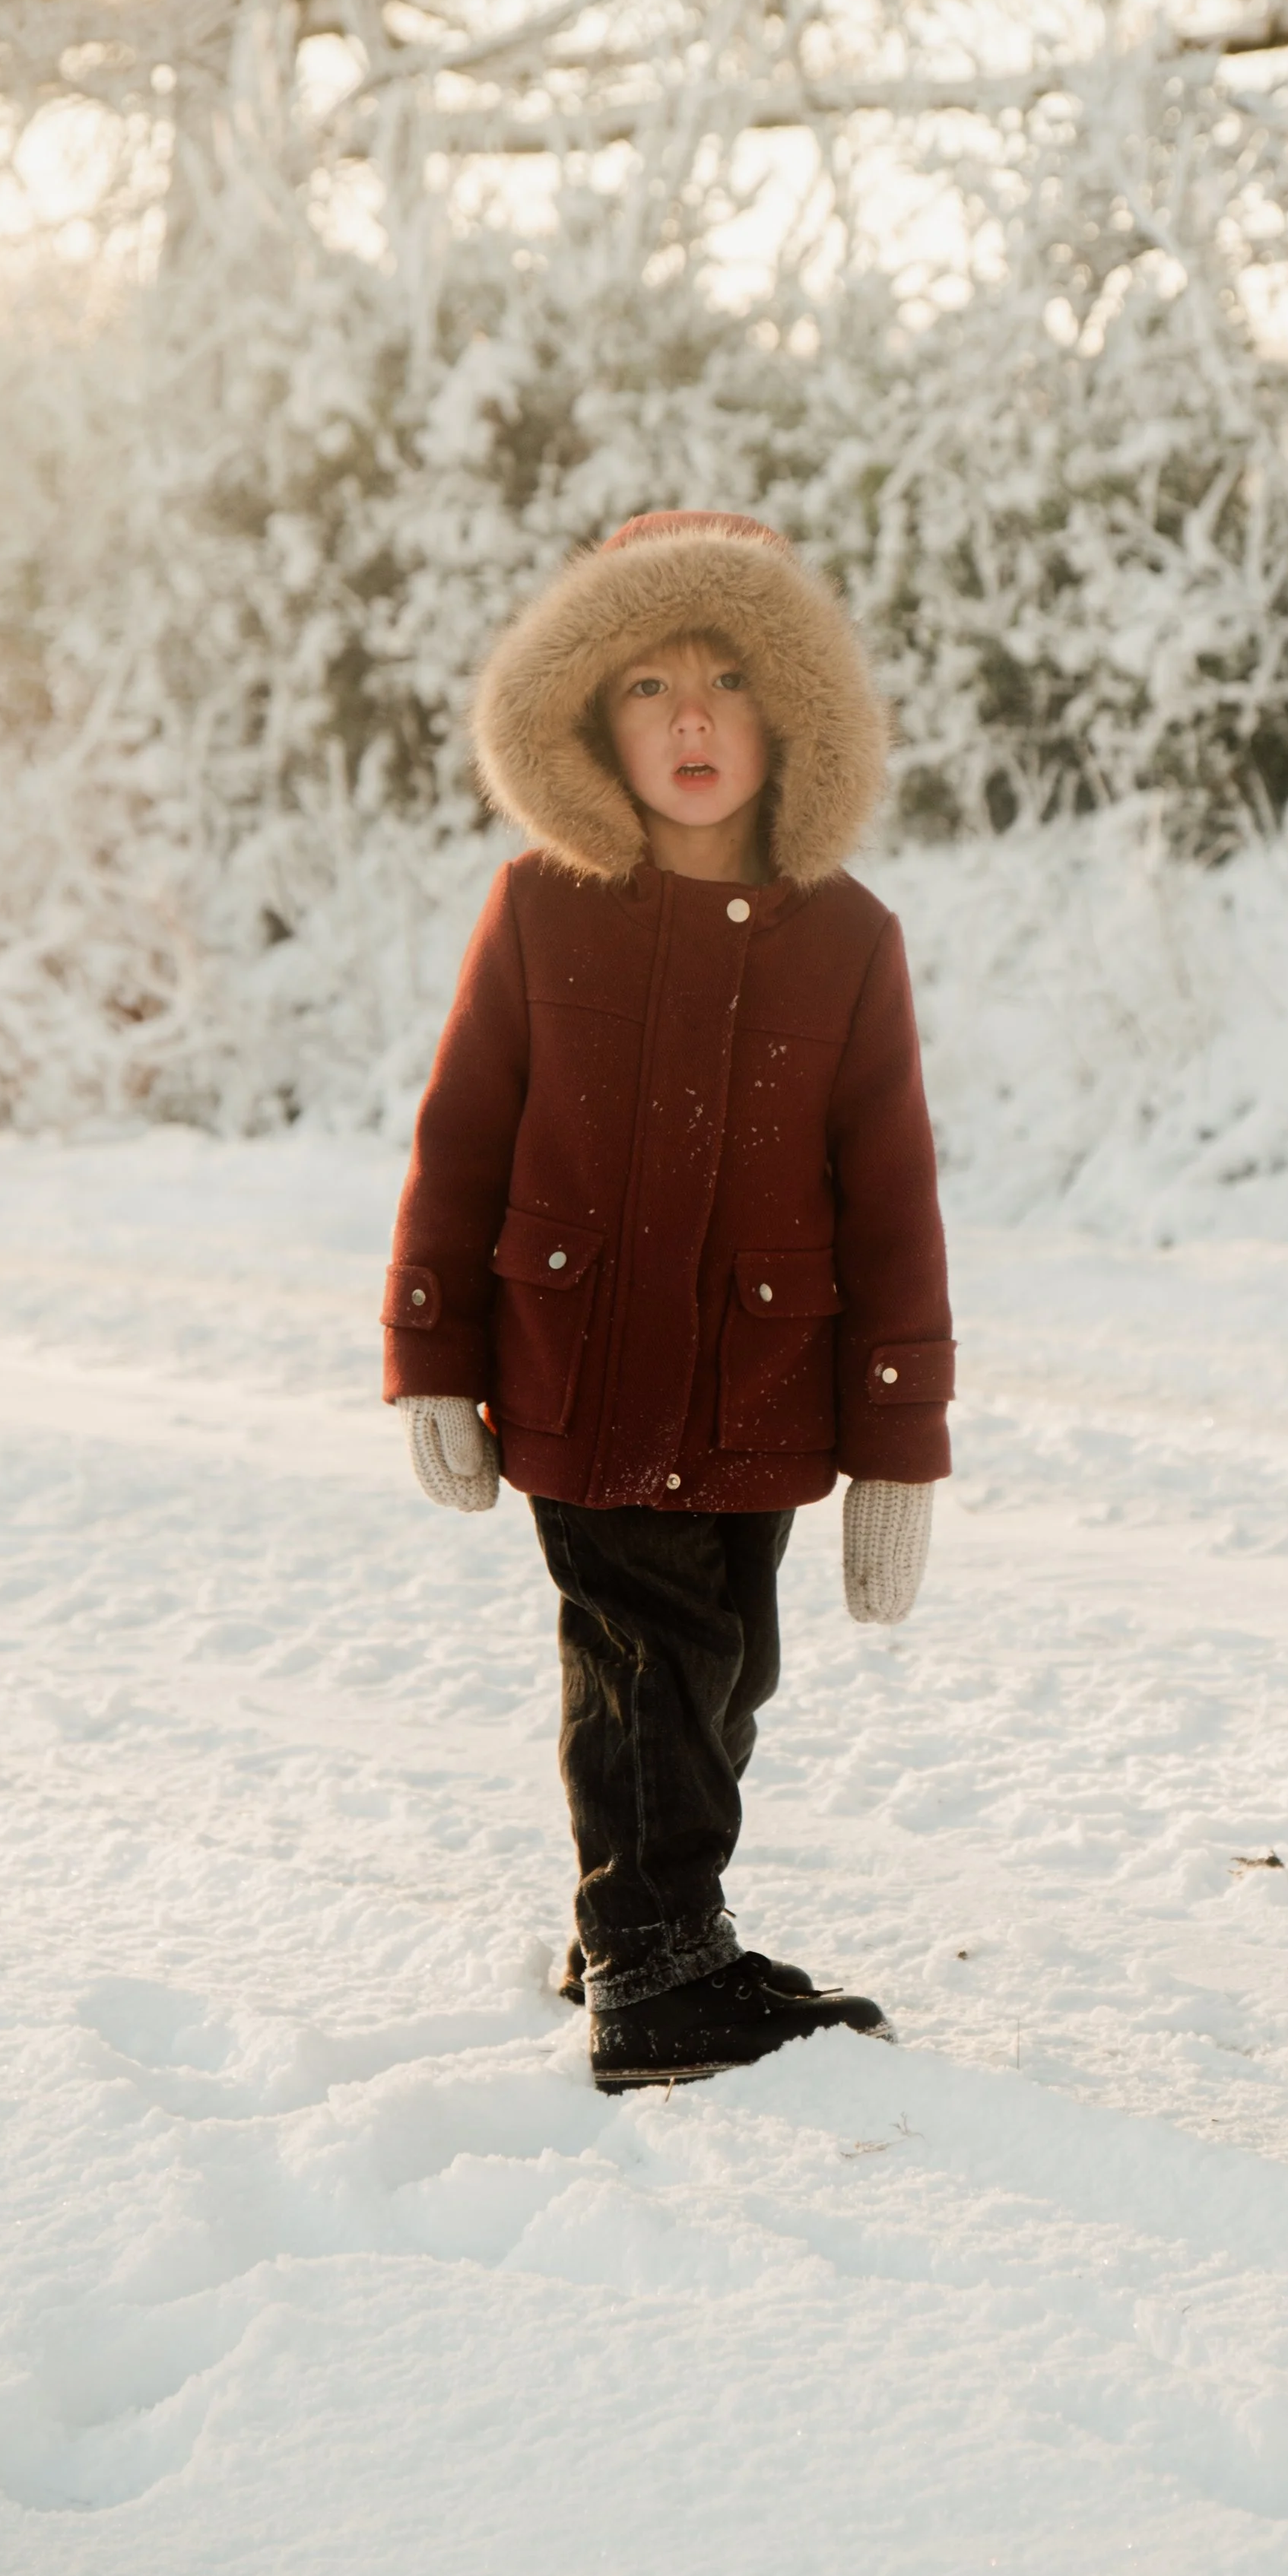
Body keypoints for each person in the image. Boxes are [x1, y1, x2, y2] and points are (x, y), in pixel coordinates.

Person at [381, 511, 954, 2093]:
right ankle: (653, 1972)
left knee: (718, 1674)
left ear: (796, 714)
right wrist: (430, 1347)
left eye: (725, 678)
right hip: (578, 1373)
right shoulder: (539, 907)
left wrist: (898, 1438)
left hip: (758, 1381)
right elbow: (463, 1136)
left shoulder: (847, 940)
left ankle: (634, 1908)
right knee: (646, 1660)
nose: (689, 719)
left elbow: (891, 1197)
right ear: (583, 718)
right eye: (644, 683)